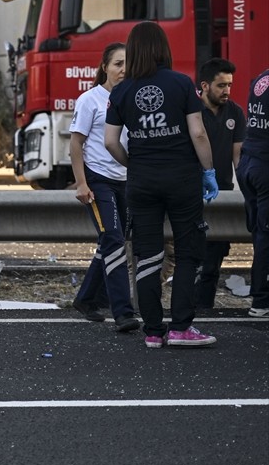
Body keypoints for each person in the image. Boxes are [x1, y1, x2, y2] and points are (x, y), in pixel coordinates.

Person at [105, 21, 218, 348]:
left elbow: (110, 141)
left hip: (141, 181)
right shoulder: (182, 84)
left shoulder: (121, 91)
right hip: (182, 178)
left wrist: (133, 164)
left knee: (147, 254)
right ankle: (182, 327)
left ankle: (153, 331)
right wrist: (208, 171)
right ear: (162, 48)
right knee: (188, 251)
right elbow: (198, 132)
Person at [68, 43, 139, 331]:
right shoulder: (90, 100)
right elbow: (75, 143)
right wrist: (82, 183)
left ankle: (86, 299)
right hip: (98, 180)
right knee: (113, 239)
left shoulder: (133, 99)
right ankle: (123, 312)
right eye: (117, 64)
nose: (123, 70)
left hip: (126, 181)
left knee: (113, 241)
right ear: (105, 67)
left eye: (127, 64)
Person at [194, 57, 245, 308]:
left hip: (222, 193)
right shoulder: (191, 109)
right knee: (191, 260)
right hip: (192, 193)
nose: (227, 91)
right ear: (205, 85)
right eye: (221, 86)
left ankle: (205, 311)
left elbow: (239, 156)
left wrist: (246, 189)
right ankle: (186, 310)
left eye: (230, 85)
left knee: (213, 263)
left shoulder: (235, 112)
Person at [236, 67, 269, 318]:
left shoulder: (261, 78)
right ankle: (261, 300)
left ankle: (260, 298)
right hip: (265, 166)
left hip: (249, 163)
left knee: (261, 235)